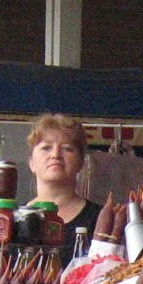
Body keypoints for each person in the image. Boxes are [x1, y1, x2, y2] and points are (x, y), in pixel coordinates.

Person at [27, 113, 101, 264]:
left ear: (81, 162)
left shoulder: (101, 219)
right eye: (46, 148)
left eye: (67, 148)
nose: (55, 155)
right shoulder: (14, 220)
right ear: (31, 163)